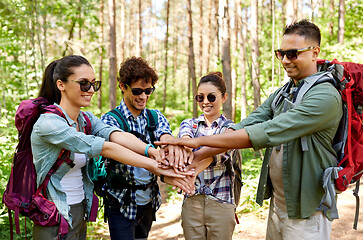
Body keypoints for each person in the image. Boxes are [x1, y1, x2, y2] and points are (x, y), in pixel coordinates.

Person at [157, 19, 342, 240]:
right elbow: (252, 121)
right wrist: (201, 154)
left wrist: (198, 144)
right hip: (279, 205)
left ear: (314, 52)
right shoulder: (285, 91)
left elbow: (270, 130)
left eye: (292, 54)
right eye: (280, 53)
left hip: (306, 210)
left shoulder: (325, 96)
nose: (284, 60)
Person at [31, 55, 192, 240]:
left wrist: (153, 151)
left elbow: (116, 135)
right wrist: (153, 165)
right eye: (84, 84)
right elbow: (105, 147)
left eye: (94, 84)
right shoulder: (49, 123)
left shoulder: (85, 119)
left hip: (79, 210)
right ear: (61, 85)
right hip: (53, 213)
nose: (91, 90)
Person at [100, 56, 193, 240]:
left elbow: (164, 134)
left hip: (148, 202)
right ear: (122, 86)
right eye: (137, 91)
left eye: (148, 90)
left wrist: (169, 144)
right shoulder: (110, 120)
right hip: (120, 202)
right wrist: (152, 152)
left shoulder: (154, 116)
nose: (143, 96)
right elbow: (117, 145)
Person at [165, 72, 237, 240]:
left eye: (211, 97)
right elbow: (185, 138)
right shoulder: (189, 124)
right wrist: (186, 145)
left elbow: (222, 151)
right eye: (200, 97)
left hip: (222, 200)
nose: (205, 102)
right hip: (192, 202)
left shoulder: (231, 129)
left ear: (224, 97)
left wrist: (193, 161)